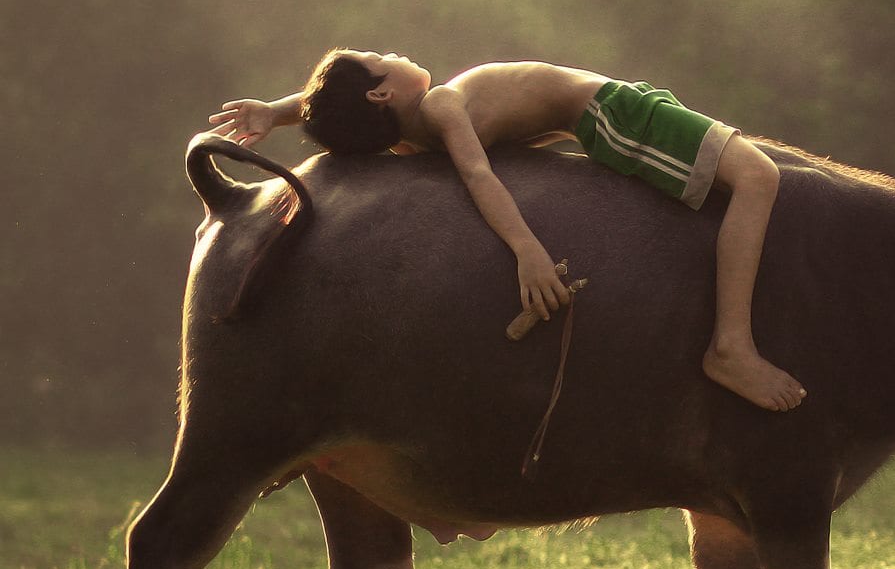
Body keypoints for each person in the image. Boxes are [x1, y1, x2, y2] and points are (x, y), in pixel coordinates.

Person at [208, 51, 806, 412]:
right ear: (383, 91)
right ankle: (732, 345)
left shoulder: (403, 138)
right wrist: (528, 250)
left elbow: (339, 103)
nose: (393, 50)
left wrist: (276, 111)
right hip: (610, 111)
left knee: (744, 179)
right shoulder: (442, 105)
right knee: (757, 177)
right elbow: (479, 175)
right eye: (381, 57)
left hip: (593, 119)